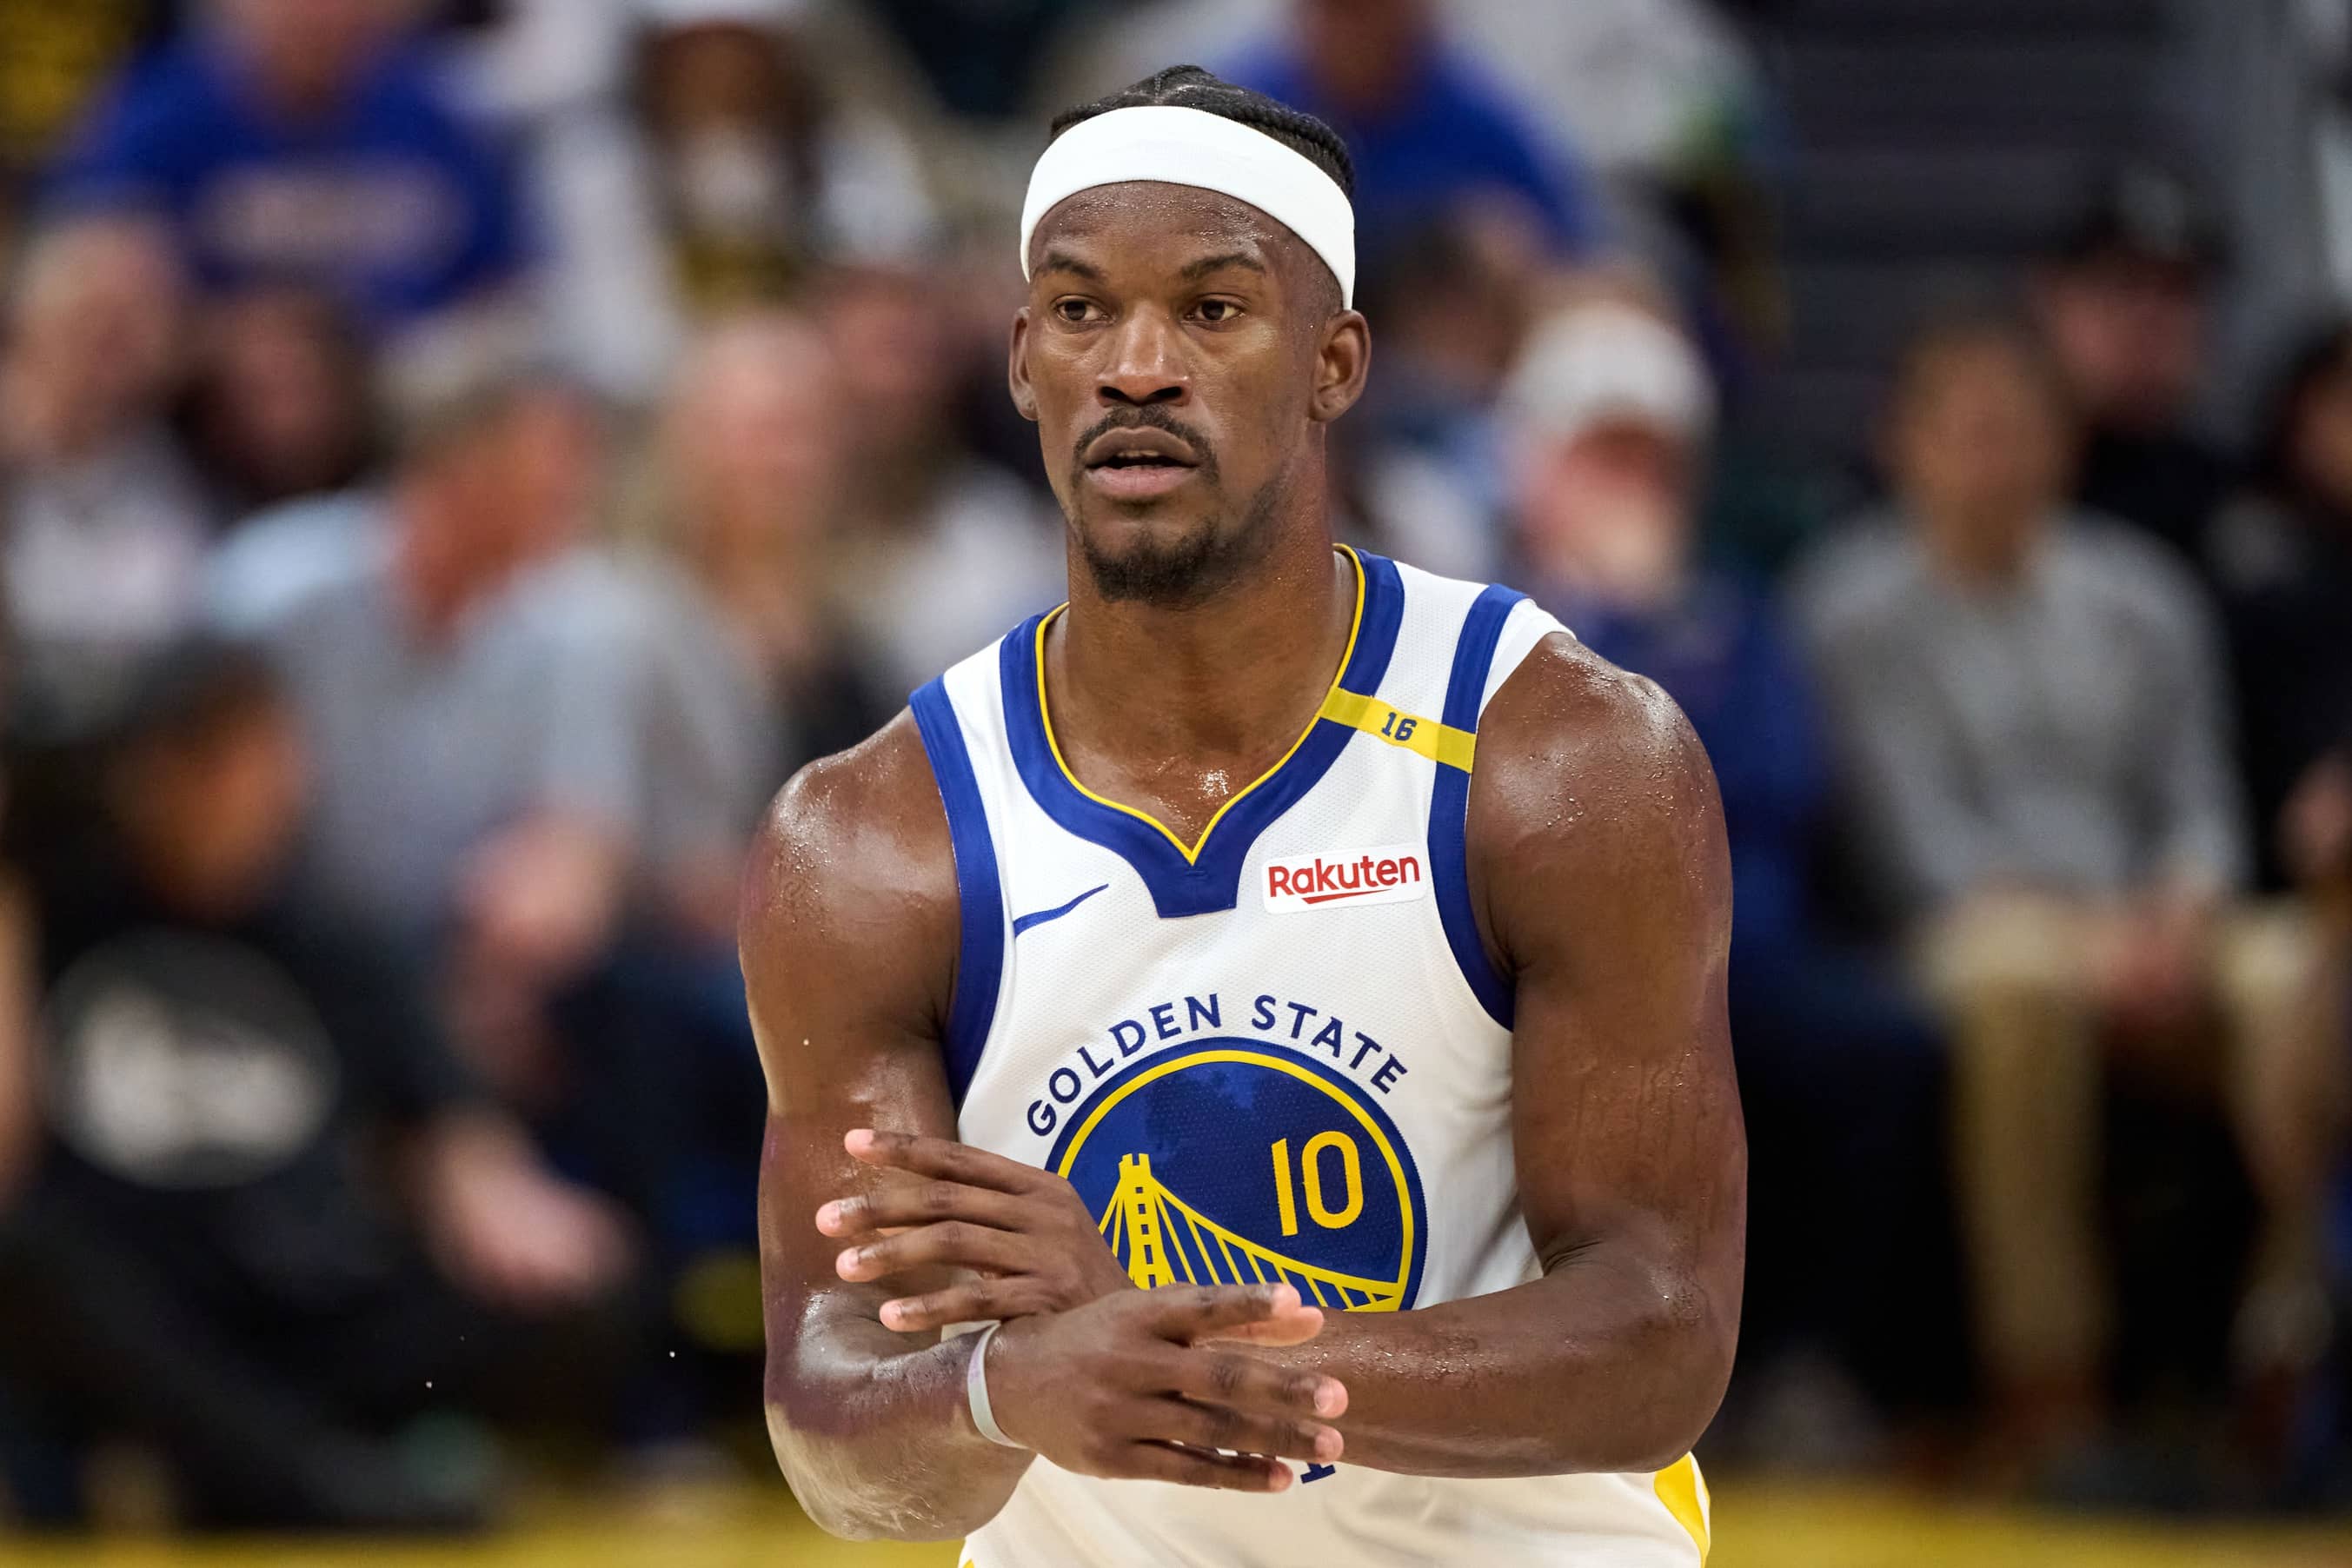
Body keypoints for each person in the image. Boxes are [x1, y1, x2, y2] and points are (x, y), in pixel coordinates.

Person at [747, 66, 1744, 1565]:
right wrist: (1003, 1384)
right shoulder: (871, 840)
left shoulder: (1558, 755)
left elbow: (1659, 1326)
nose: (1135, 365)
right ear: (1023, 361)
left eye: (1212, 310)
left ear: (1335, 361)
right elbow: (836, 1422)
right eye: (1081, 312)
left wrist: (1181, 1360)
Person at [1791, 312, 2326, 1481]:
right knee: (2017, 989)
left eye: (2018, 430)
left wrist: (2182, 904)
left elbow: (2199, 797)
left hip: (2149, 915)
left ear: (2060, 446)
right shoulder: (1850, 610)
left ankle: (2288, 1355)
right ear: (1906, 444)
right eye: (1967, 431)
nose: (1994, 458)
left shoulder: (2140, 595)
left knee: (2304, 973)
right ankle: (2051, 1381)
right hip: (1961, 923)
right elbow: (1909, 844)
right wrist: (2102, 940)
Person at [0, 638, 632, 1530]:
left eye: (280, 760)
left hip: (303, 1299)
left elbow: (456, 1132)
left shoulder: (328, 932)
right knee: (30, 1260)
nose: (273, 792)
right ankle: (311, 1482)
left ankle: (252, 1460)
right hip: (147, 1300)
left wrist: (491, 1185)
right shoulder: (62, 912)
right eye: (237, 764)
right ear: (155, 773)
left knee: (589, 1295)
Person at [1502, 299, 1942, 1435]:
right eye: (1601, 451)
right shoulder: (1482, 613)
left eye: (1647, 454)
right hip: (1559, 944)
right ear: (1538, 460)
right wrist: (1606, 622)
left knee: (1881, 1052)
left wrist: (1656, 633)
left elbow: (1782, 778)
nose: (1627, 480)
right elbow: (1539, 794)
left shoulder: (1734, 615)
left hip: (1750, 934)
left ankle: (1808, 1361)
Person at [45, 0, 526, 336]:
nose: (324, 14)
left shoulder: (434, 120)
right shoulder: (162, 119)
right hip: (203, 405)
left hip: (398, 393)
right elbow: (86, 266)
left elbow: (503, 283)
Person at [0, 215, 211, 735]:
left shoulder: (183, 459)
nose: (113, 336)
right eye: (92, 309)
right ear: (27, 313)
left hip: (124, 756)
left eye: (141, 316)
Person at [1228, 0, 1607, 264]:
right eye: (1340, 9)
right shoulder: (1242, 105)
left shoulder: (1476, 113)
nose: (1356, 32)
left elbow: (1575, 256)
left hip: (1446, 355)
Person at [2031, 162, 2235, 566]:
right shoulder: (1975, 485)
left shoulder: (2237, 504)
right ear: (2048, 297)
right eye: (2121, 286)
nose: (2149, 320)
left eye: (2178, 291)